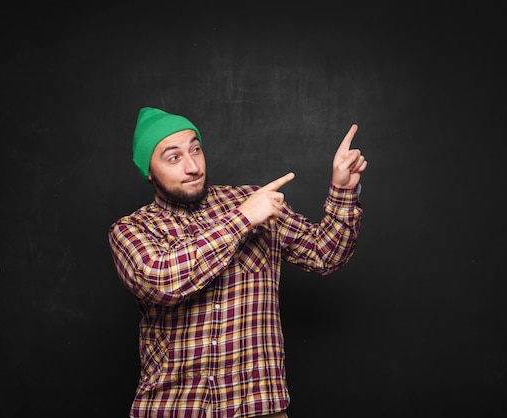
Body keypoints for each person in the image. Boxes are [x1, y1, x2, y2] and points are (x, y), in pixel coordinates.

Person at [108, 106, 367, 418]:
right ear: (148, 170)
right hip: (175, 408)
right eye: (173, 157)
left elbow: (326, 254)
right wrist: (243, 219)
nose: (192, 166)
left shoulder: (255, 200)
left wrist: (343, 189)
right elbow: (160, 281)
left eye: (195, 150)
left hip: (259, 408)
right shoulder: (132, 229)